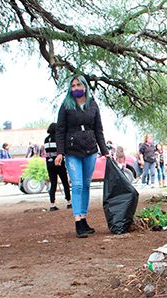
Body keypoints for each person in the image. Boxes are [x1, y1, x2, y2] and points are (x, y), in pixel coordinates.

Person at [55, 74, 110, 238]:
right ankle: (78, 220)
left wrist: (105, 150)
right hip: (72, 151)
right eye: (73, 86)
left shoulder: (93, 105)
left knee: (86, 184)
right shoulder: (66, 106)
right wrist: (60, 152)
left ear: (85, 87)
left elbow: (99, 129)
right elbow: (60, 130)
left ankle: (84, 219)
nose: (76, 88)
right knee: (77, 185)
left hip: (90, 150)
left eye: (79, 85)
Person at [44, 123, 71, 212]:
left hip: (49, 163)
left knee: (53, 184)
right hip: (59, 163)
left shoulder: (46, 139)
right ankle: (69, 202)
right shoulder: (58, 139)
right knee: (65, 182)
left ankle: (52, 204)